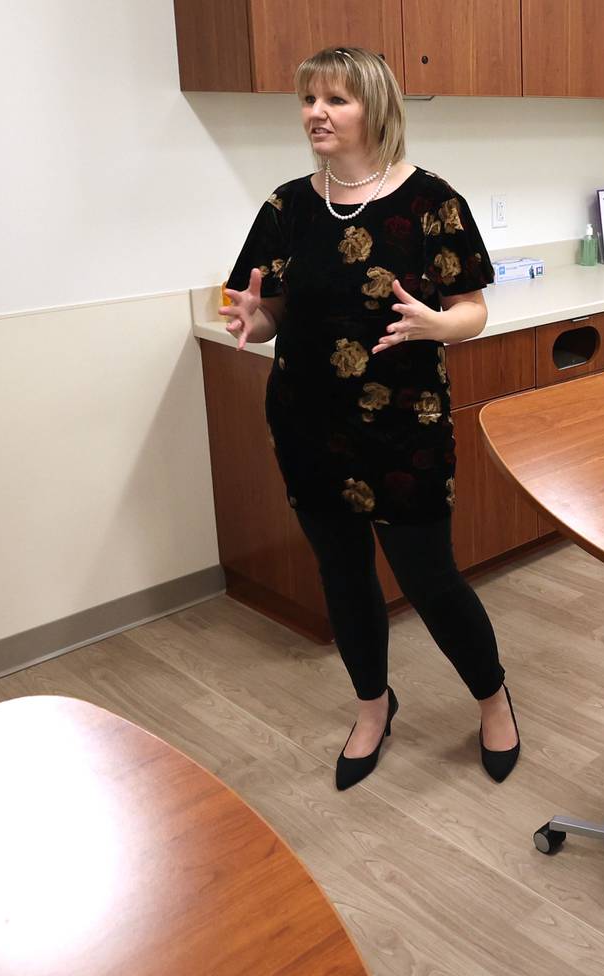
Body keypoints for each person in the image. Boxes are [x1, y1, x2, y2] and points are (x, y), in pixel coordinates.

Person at [219, 46, 518, 789]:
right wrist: (252, 321)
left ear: (374, 109)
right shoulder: (288, 207)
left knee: (430, 578)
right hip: (307, 422)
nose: (316, 113)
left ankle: (493, 697)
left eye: (336, 100)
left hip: (404, 427)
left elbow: (473, 309)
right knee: (343, 574)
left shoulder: (431, 202)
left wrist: (437, 326)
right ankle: (373, 705)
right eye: (309, 99)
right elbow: (265, 314)